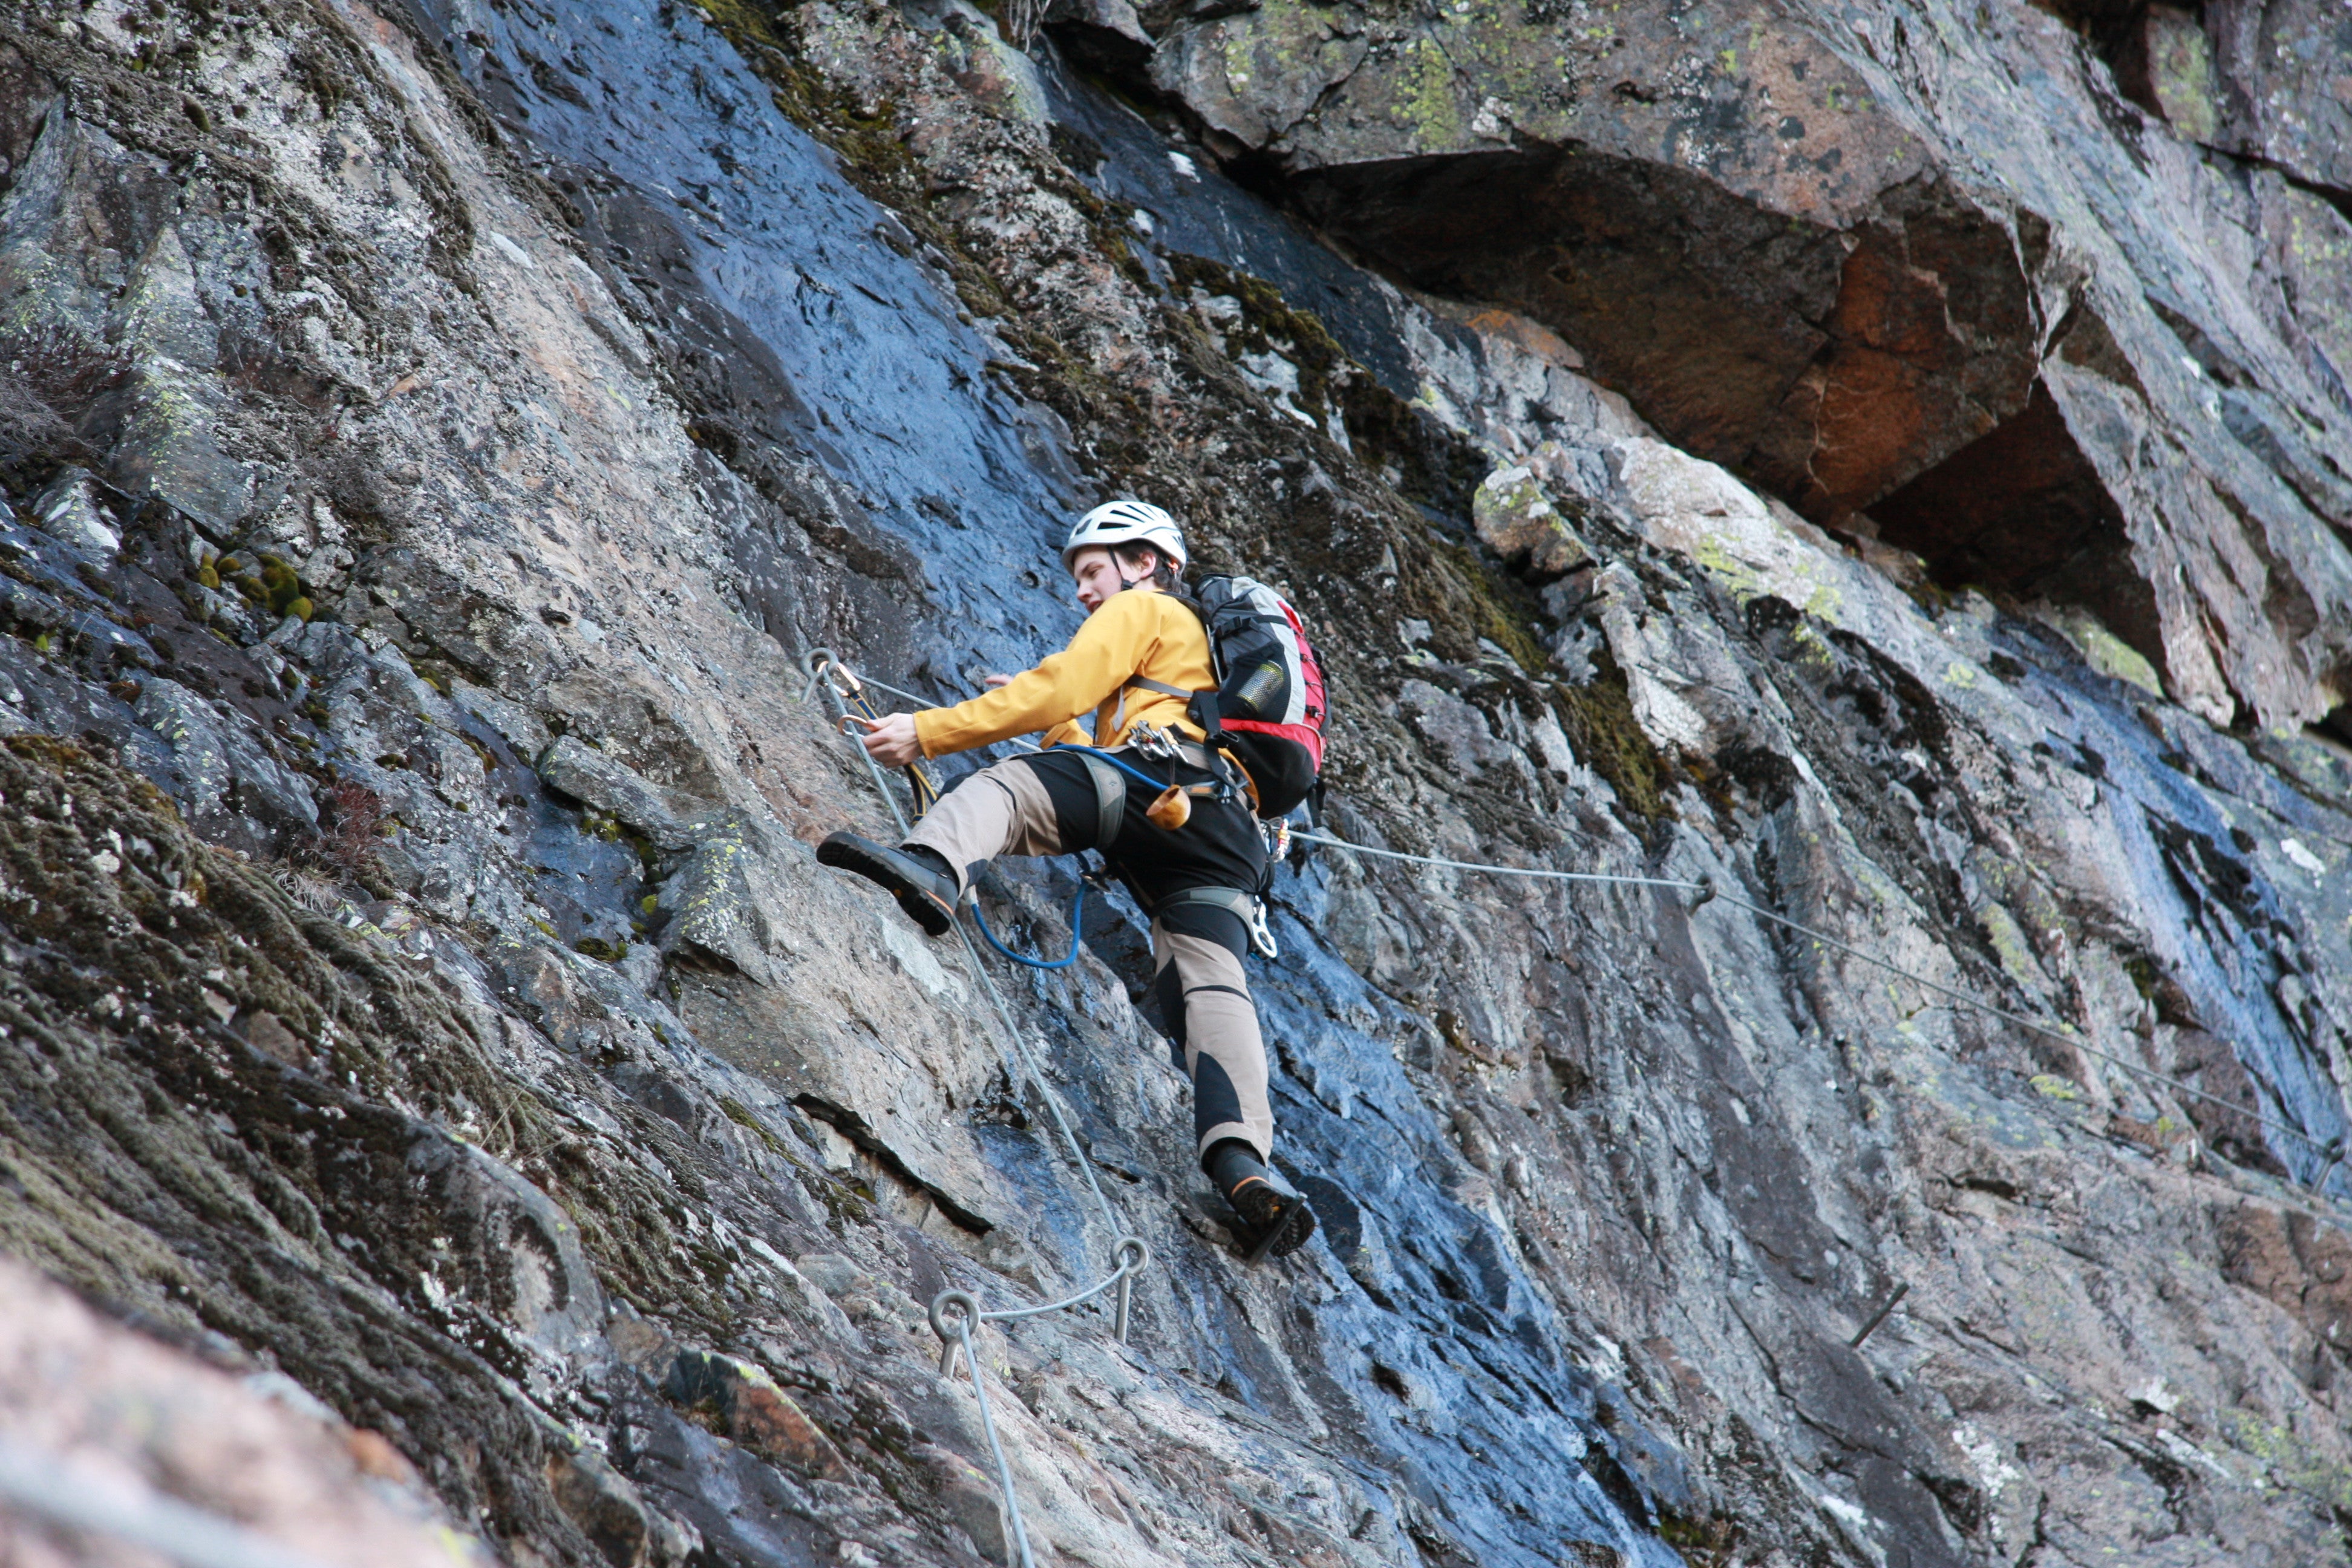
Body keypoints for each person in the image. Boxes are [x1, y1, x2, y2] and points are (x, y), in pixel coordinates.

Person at [817, 500, 1318, 1261]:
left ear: (1145, 561)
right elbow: (1089, 733)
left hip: (1157, 783)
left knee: (1013, 788)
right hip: (1228, 834)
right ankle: (1244, 1163)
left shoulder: (1147, 607)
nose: (1084, 591)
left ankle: (930, 868)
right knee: (1213, 986)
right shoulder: (1203, 660)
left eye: (1093, 571)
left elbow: (1060, 692)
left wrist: (926, 731)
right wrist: (1062, 730)